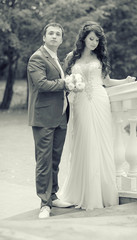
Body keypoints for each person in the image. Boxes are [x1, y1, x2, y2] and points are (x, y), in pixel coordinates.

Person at [58, 21, 135, 210]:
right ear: (83, 38)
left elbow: (106, 82)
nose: (94, 43)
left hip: (99, 101)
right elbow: (65, 80)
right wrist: (71, 85)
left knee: (101, 143)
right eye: (91, 39)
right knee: (84, 142)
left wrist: (124, 81)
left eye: (97, 40)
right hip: (81, 103)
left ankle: (101, 193)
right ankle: (81, 191)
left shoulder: (98, 58)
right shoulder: (71, 57)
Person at [27, 22, 72, 219]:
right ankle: (44, 204)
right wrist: (66, 83)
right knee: (44, 162)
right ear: (44, 37)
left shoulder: (56, 59)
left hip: (60, 117)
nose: (54, 36)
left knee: (55, 160)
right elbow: (42, 84)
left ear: (61, 39)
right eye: (51, 33)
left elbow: (58, 86)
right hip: (43, 118)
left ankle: (53, 196)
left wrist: (70, 86)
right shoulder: (37, 58)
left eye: (58, 34)